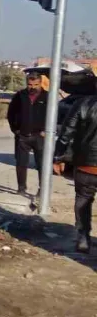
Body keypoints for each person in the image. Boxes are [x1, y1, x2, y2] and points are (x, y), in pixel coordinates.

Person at [53, 93, 97, 253]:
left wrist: (58, 157)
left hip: (86, 164)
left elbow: (66, 133)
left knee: (83, 198)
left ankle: (83, 238)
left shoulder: (83, 103)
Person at [7, 72, 49, 196]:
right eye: (30, 84)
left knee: (42, 164)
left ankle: (42, 189)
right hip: (22, 136)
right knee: (21, 163)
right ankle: (21, 188)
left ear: (40, 83)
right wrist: (16, 130)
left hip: (40, 136)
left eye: (35, 84)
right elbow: (11, 114)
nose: (32, 87)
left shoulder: (47, 97)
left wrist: (46, 131)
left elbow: (54, 116)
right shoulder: (20, 96)